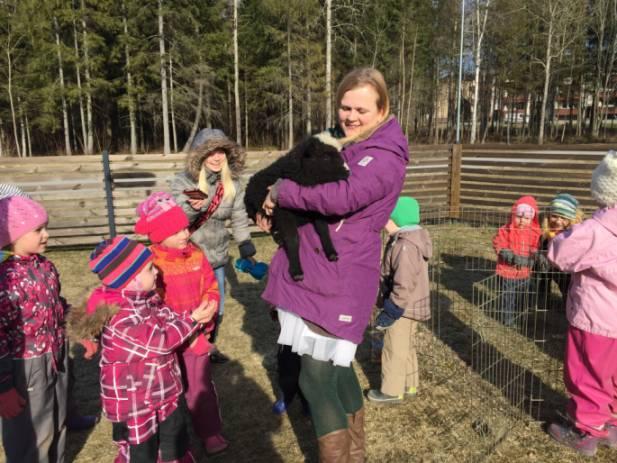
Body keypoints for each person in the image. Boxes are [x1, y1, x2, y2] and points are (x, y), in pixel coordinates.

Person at [259, 67, 409, 462]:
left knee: (315, 376)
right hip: (320, 272)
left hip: (338, 277)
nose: (351, 116)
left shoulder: (384, 156)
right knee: (336, 367)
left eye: (361, 108)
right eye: (345, 107)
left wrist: (284, 192)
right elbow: (302, 167)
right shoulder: (349, 141)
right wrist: (270, 202)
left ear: (382, 109)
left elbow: (342, 197)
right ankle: (353, 454)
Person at [86, 236, 214, 462]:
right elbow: (160, 341)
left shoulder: (148, 300)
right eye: (149, 269)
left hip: (162, 393)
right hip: (135, 404)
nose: (156, 272)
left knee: (172, 443)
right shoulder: (120, 317)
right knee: (142, 452)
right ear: (130, 279)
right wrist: (193, 321)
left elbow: (170, 319)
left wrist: (191, 318)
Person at [134, 191, 228, 455]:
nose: (185, 234)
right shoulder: (150, 263)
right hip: (165, 340)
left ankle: (210, 431)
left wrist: (210, 307)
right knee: (167, 392)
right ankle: (172, 438)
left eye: (185, 228)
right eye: (176, 231)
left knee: (200, 387)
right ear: (158, 235)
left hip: (195, 335)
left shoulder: (196, 255)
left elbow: (211, 285)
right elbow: (147, 301)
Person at [546, 151, 617, 457]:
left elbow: (560, 253)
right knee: (611, 372)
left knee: (585, 371)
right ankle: (610, 420)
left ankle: (586, 431)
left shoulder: (596, 229)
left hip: (593, 317)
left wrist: (556, 239)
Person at [171, 128, 258, 364]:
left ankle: (208, 346)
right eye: (211, 152)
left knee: (216, 309)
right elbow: (176, 219)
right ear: (200, 156)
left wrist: (245, 245)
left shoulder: (233, 185)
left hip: (217, 258)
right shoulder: (184, 181)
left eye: (221, 151)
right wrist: (193, 206)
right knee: (187, 307)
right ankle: (185, 349)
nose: (217, 157)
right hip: (188, 257)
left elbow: (239, 216)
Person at [0, 196, 68, 462]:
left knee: (57, 423)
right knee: (31, 433)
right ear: (13, 235)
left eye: (46, 227)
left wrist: (75, 330)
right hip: (24, 368)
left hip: (56, 357)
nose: (46, 234)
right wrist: (3, 387)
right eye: (38, 230)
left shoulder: (46, 267)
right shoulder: (5, 279)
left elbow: (57, 305)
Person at [367, 196, 432, 405]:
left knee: (394, 347)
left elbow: (403, 282)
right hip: (412, 305)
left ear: (396, 219)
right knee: (406, 346)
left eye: (386, 217)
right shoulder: (411, 239)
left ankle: (392, 391)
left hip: (402, 307)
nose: (383, 222)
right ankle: (409, 384)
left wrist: (392, 309)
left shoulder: (404, 246)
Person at [491, 196, 542, 326]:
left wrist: (535, 256)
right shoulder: (505, 230)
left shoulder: (534, 233)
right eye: (519, 217)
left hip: (524, 271)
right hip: (507, 271)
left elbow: (534, 247)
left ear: (532, 219)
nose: (522, 221)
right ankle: (507, 318)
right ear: (513, 215)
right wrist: (508, 255)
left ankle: (520, 314)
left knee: (522, 295)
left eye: (526, 218)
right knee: (508, 296)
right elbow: (498, 243)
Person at [535, 193, 582, 311]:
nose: (558, 221)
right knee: (542, 282)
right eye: (554, 216)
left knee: (566, 287)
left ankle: (568, 307)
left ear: (571, 220)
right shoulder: (545, 232)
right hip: (545, 266)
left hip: (564, 270)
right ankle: (543, 304)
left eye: (563, 218)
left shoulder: (573, 235)